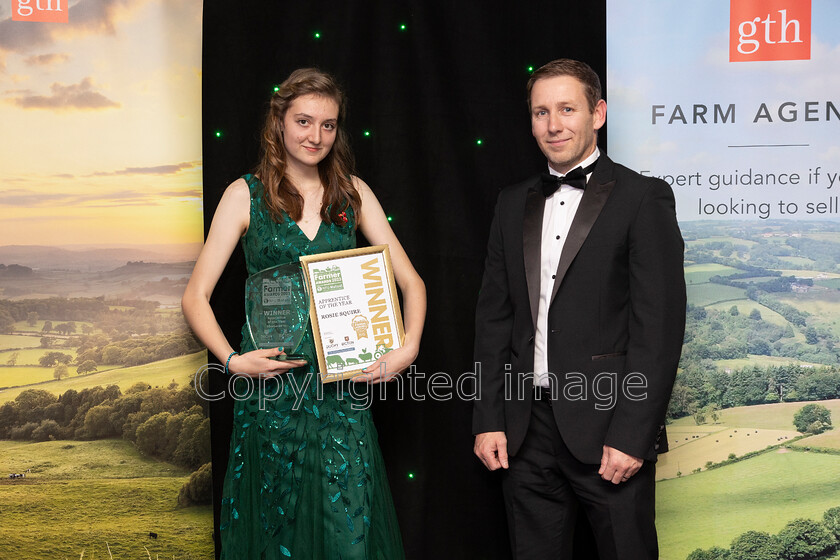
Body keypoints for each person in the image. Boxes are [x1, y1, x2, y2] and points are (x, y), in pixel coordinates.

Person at [182, 68, 426, 559]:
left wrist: (408, 348)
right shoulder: (243, 194)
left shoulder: (352, 193)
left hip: (342, 397)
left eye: (329, 125)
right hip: (272, 398)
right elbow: (195, 296)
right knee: (275, 535)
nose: (316, 136)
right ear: (279, 121)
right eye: (304, 121)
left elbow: (412, 283)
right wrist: (233, 361)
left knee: (346, 531)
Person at [472, 59, 686, 559]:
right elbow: (493, 320)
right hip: (524, 432)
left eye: (567, 109)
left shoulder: (643, 198)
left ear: (599, 113)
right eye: (541, 112)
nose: (553, 124)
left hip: (610, 428)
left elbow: (658, 330)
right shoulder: (511, 203)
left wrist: (633, 436)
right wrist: (488, 417)